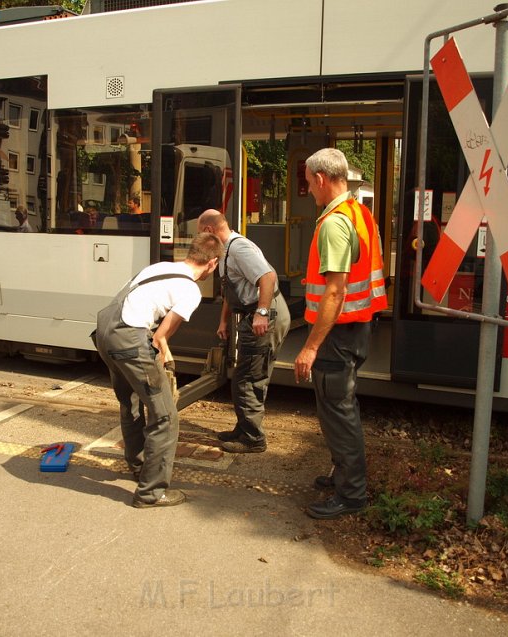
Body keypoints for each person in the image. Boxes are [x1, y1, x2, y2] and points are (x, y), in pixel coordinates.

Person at [94, 233, 223, 508]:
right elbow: (159, 338)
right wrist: (163, 362)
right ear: (212, 263)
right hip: (129, 338)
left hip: (105, 331)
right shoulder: (191, 291)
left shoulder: (160, 267)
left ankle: (139, 466)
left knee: (129, 402)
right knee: (165, 416)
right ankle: (151, 493)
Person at [294, 148, 388, 520]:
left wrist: (310, 347)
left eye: (308, 183)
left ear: (320, 178)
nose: (308, 190)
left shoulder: (334, 222)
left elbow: (334, 290)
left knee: (339, 413)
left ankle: (351, 495)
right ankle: (344, 476)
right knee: (341, 409)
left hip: (337, 332)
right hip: (356, 328)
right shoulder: (359, 212)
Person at [197, 209, 291, 454]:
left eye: (200, 234)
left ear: (209, 230)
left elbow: (267, 277)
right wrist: (223, 322)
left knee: (250, 377)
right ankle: (244, 428)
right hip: (253, 313)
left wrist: (261, 313)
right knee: (242, 375)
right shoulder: (225, 251)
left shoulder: (239, 249)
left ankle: (253, 438)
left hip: (265, 314)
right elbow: (232, 287)